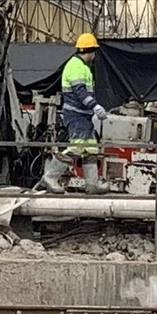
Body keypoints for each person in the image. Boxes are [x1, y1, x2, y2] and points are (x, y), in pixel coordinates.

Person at [39, 32, 110, 195]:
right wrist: (95, 106)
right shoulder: (76, 66)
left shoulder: (81, 66)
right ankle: (50, 176)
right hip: (76, 115)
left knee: (91, 148)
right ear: (91, 51)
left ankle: (92, 185)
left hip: (82, 116)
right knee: (77, 147)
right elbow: (80, 92)